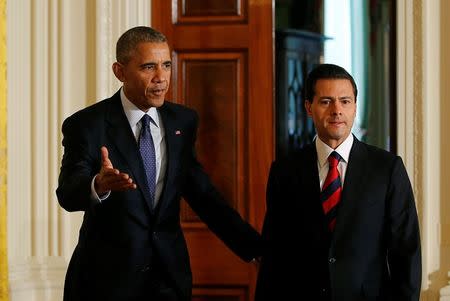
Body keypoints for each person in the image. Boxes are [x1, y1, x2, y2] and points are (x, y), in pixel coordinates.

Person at [56, 26, 262, 301]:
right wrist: (99, 185)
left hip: (168, 280)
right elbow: (68, 193)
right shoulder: (87, 125)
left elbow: (204, 196)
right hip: (106, 282)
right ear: (120, 71)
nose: (161, 78)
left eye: (166, 65)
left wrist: (254, 249)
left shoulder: (182, 121)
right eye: (148, 67)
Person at [255, 64, 421, 301]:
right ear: (308, 107)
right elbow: (274, 255)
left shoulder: (387, 169)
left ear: (355, 107)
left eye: (345, 101)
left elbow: (406, 252)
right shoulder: (285, 171)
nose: (337, 110)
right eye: (325, 101)